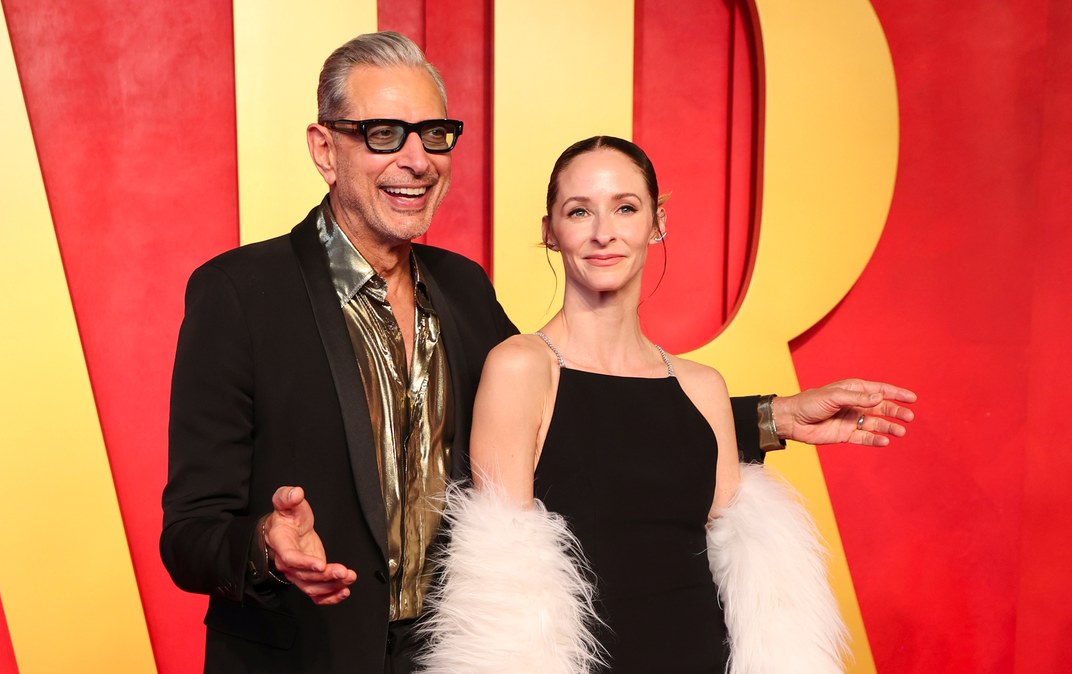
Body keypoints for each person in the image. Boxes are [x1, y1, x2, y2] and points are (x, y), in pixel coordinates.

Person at [160, 32, 914, 674]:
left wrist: (770, 417)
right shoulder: (238, 294)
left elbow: (580, 415)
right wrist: (266, 546)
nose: (417, 159)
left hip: (447, 654)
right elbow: (190, 533)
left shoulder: (460, 289)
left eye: (434, 134)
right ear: (325, 148)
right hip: (307, 656)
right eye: (384, 134)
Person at [418, 137, 849, 673]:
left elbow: (738, 564)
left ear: (657, 222)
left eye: (626, 207)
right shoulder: (521, 368)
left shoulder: (701, 386)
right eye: (580, 211)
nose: (604, 233)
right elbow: (502, 574)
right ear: (550, 232)